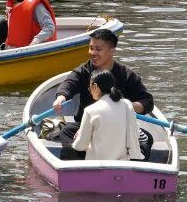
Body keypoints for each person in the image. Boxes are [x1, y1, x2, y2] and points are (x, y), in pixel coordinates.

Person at [51, 28, 154, 161]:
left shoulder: (126, 75)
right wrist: (61, 97)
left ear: (112, 51)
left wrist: (125, 106)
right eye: (91, 48)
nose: (93, 53)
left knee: (147, 138)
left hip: (118, 126)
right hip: (86, 125)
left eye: (98, 49)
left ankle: (133, 168)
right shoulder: (84, 71)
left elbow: (147, 101)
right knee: (66, 131)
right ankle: (79, 167)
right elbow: (69, 84)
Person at [70, 69, 144, 161]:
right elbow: (136, 133)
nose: (89, 90)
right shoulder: (127, 104)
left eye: (89, 87)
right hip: (124, 163)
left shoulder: (90, 110)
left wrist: (77, 138)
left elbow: (80, 146)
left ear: (95, 87)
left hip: (99, 166)